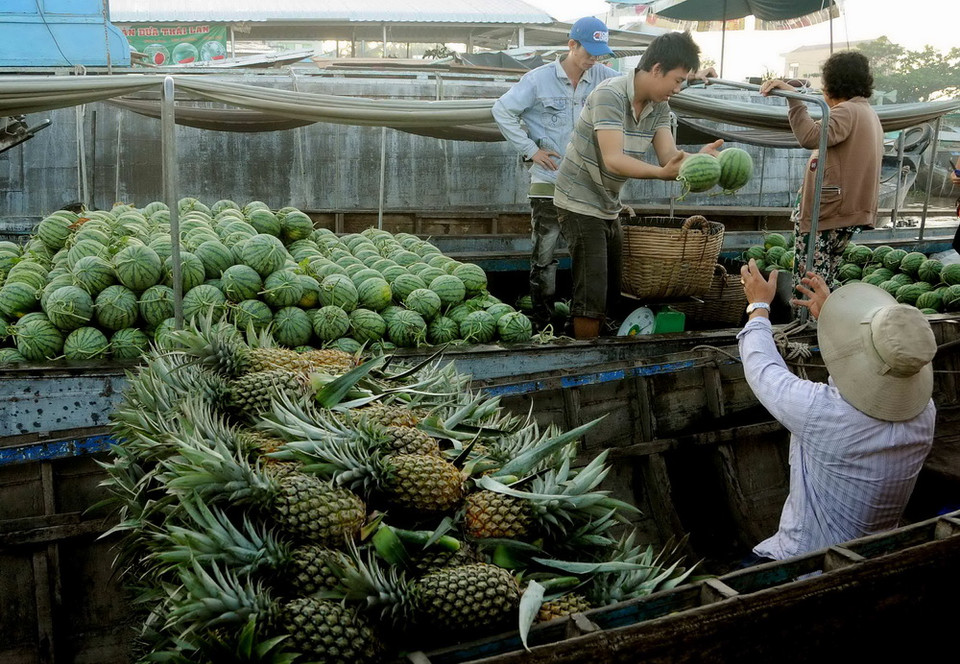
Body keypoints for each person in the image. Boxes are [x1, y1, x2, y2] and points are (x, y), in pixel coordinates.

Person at [735, 259, 936, 566]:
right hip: (877, 555)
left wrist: (758, 306)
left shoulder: (827, 414)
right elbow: (860, 378)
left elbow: (763, 369)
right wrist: (834, 321)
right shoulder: (925, 413)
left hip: (805, 562)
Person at [553, 31, 721, 339]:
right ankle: (583, 356)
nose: (678, 88)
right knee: (593, 289)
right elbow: (613, 160)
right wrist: (660, 174)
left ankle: (586, 338)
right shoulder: (610, 95)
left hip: (608, 204)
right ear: (657, 69)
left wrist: (700, 160)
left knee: (613, 288)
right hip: (577, 198)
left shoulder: (659, 107)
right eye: (677, 79)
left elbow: (669, 157)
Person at [492, 17, 620, 331]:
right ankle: (541, 321)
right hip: (548, 182)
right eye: (589, 51)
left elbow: (642, 88)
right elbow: (502, 110)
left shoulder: (606, 78)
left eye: (599, 53)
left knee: (589, 259)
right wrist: (530, 150)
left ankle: (584, 321)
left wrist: (693, 79)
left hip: (589, 187)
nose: (594, 59)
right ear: (571, 45)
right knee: (544, 256)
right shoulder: (538, 80)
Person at [760, 51, 884, 292]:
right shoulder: (868, 113)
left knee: (808, 281)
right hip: (845, 213)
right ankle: (819, 324)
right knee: (822, 281)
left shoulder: (847, 111)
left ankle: (807, 324)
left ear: (832, 84)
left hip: (826, 213)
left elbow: (810, 136)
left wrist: (794, 99)